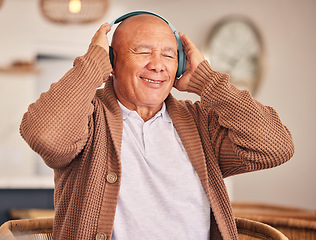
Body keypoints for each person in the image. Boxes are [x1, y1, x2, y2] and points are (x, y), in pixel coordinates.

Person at [20, 11, 294, 240]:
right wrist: (91, 66)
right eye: (142, 51)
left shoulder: (201, 124)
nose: (158, 65)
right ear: (112, 62)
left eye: (169, 55)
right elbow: (45, 136)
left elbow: (275, 148)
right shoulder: (88, 119)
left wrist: (208, 82)